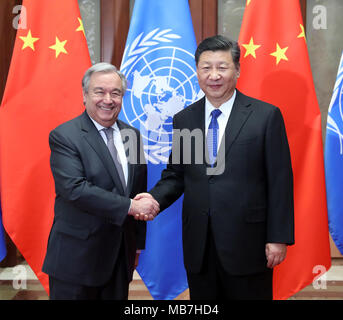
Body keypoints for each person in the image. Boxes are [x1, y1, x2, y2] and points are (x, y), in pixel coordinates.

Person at [135, 35, 294, 300]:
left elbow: (280, 180)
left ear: (238, 70)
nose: (214, 75)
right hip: (200, 245)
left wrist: (278, 237)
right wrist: (153, 198)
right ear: (197, 71)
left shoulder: (266, 116)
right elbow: (176, 175)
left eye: (222, 67)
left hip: (248, 244)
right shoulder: (185, 118)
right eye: (206, 67)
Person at [42, 62, 159, 300]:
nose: (108, 99)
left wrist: (137, 244)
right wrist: (131, 207)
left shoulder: (132, 136)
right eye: (99, 91)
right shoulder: (65, 136)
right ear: (85, 95)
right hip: (76, 261)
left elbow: (137, 190)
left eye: (115, 93)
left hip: (119, 258)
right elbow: (74, 189)